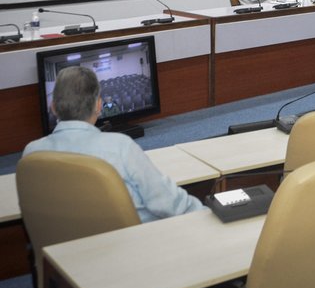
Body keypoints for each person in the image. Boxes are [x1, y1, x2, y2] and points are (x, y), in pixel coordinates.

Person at [22, 67, 203, 223]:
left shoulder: (31, 153)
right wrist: (206, 212)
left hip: (62, 257)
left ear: (53, 108)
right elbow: (168, 203)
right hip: (132, 252)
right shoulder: (120, 147)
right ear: (98, 106)